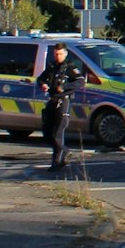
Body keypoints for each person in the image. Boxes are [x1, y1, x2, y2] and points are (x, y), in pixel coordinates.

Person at [35, 43, 87, 172]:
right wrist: (43, 84)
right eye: (56, 54)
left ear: (65, 54)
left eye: (60, 54)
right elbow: (40, 79)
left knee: (58, 133)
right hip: (52, 100)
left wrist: (64, 87)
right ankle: (65, 151)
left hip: (63, 101)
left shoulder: (70, 67)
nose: (57, 56)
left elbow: (80, 81)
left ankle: (56, 162)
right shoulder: (52, 66)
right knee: (47, 132)